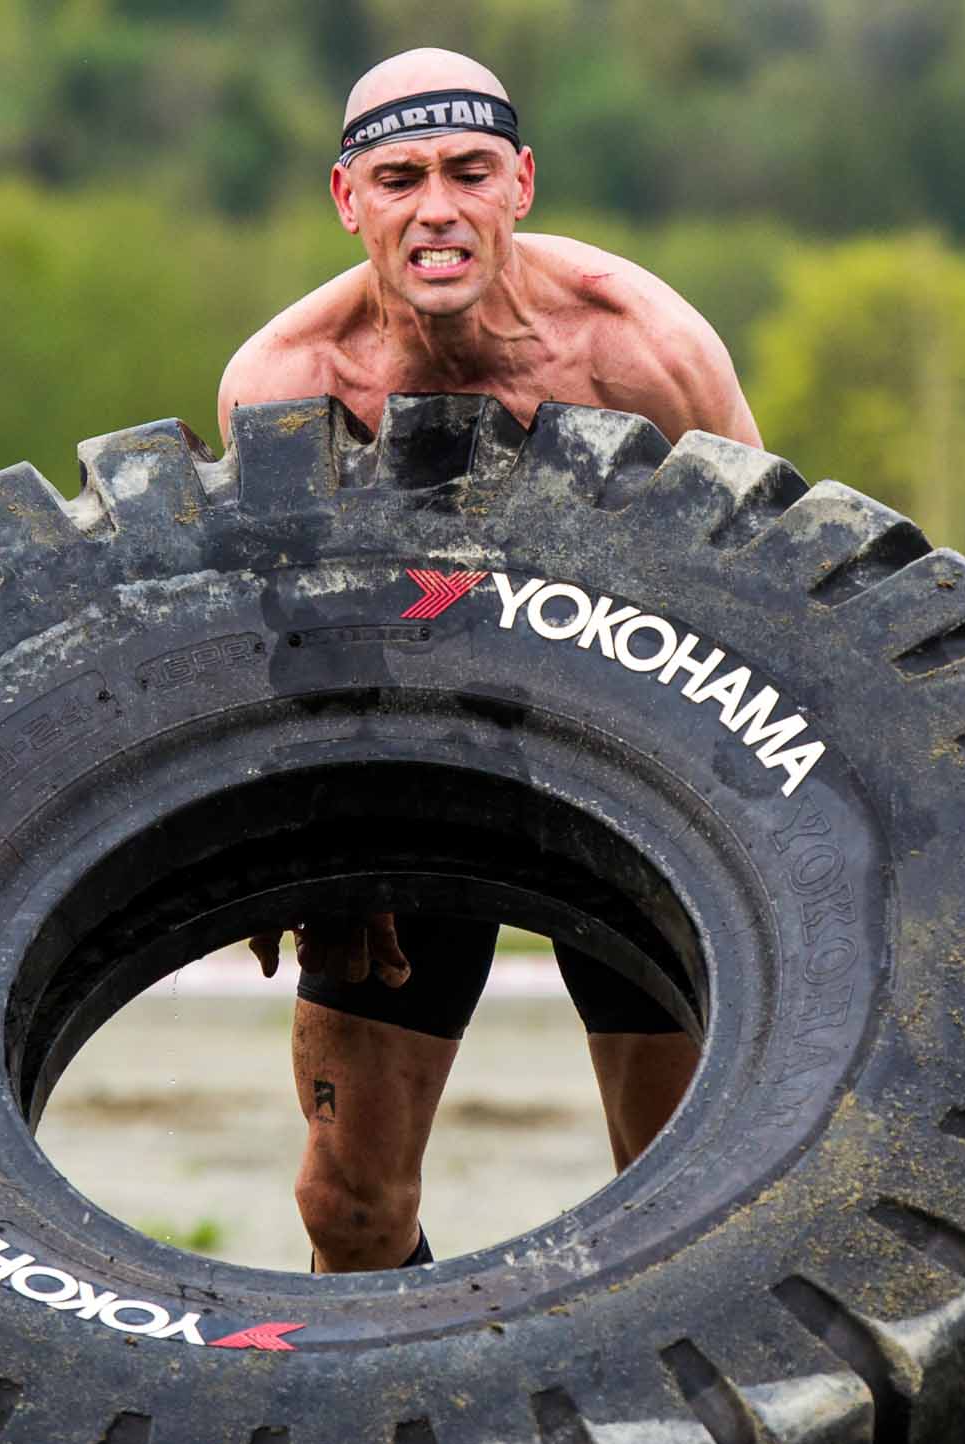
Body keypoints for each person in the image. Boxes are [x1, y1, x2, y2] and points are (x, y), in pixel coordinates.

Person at [216, 47, 763, 1274]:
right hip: (414, 776)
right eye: (401, 178)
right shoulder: (286, 385)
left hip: (635, 772)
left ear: (521, 182)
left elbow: (767, 606)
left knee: (682, 1186)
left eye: (469, 172)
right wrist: (300, 851)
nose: (438, 210)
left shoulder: (640, 350)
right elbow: (285, 636)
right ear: (346, 201)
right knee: (343, 1206)